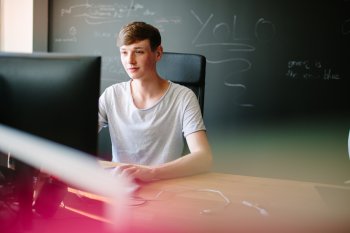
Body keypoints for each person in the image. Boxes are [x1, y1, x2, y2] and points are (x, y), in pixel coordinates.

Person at [98, 21, 212, 182]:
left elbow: (204, 157)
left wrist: (152, 173)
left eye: (138, 52)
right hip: (120, 184)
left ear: (158, 54)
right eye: (124, 52)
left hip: (165, 185)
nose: (130, 60)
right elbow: (78, 138)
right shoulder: (111, 95)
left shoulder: (183, 97)